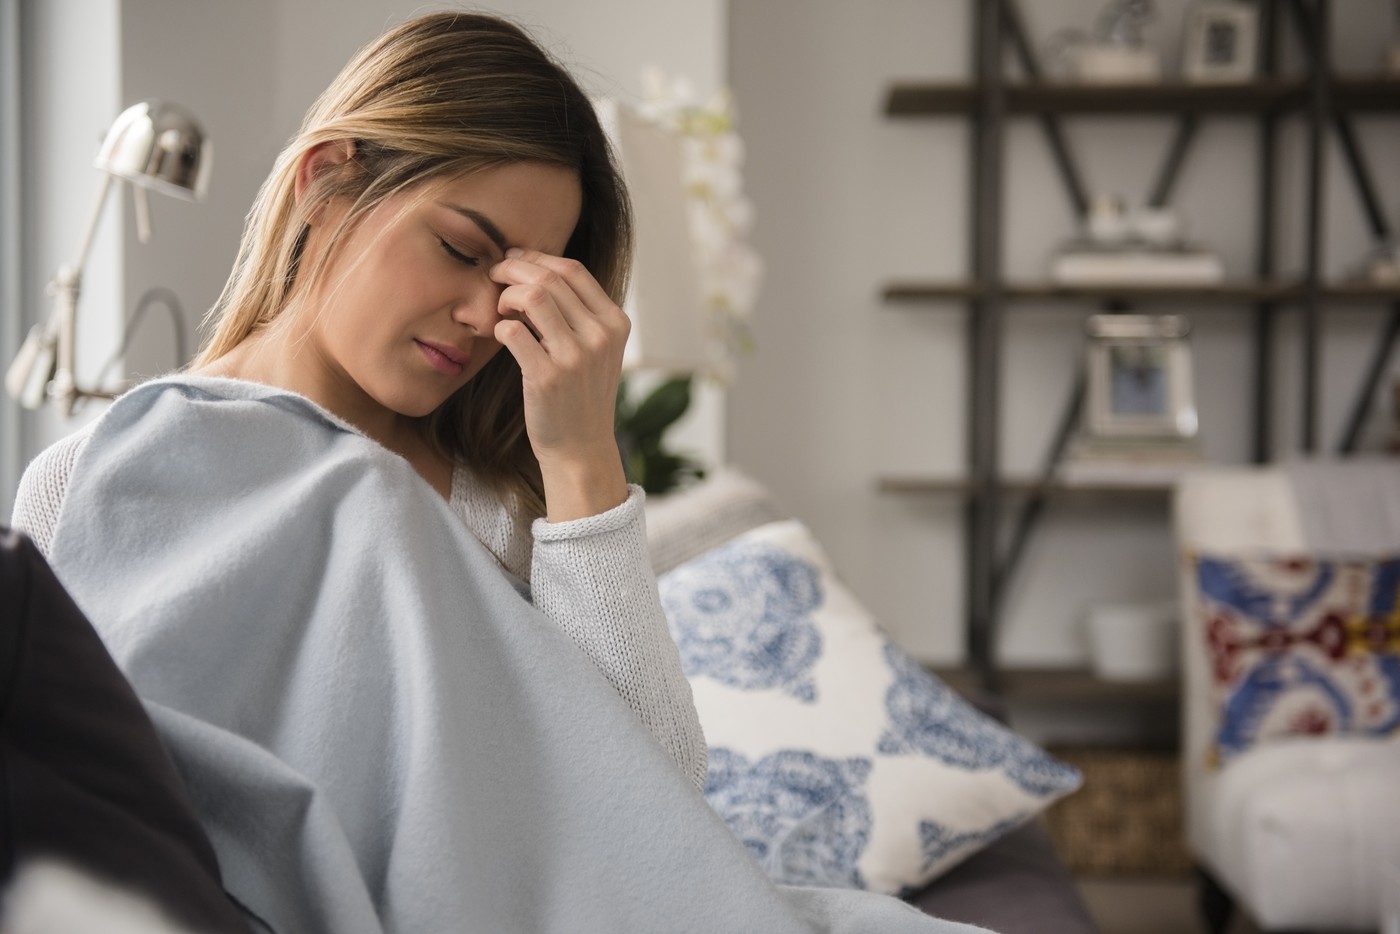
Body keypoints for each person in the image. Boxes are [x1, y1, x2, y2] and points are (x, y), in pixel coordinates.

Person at [11, 12, 975, 934]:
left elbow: (650, 814)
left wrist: (581, 455)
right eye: (461, 251)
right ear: (324, 181)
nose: (482, 316)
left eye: (518, 283)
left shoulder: (496, 510)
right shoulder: (92, 481)